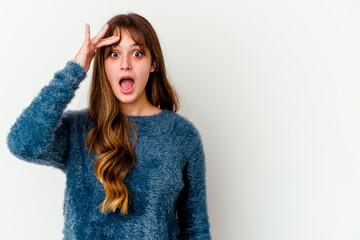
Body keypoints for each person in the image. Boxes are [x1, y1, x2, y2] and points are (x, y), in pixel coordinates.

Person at [7, 13, 211, 239]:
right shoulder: (78, 129)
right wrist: (75, 69)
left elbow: (195, 229)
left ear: (153, 63)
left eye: (137, 53)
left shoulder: (181, 135)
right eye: (114, 54)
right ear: (103, 65)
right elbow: (22, 143)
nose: (125, 65)